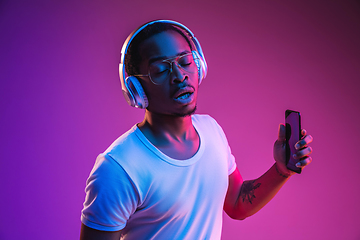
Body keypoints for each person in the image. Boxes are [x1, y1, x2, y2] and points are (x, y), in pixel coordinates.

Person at [80, 20, 313, 240]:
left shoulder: (212, 130)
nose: (179, 76)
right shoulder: (118, 169)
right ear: (135, 88)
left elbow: (237, 204)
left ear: (199, 66)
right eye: (161, 70)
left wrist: (282, 170)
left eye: (185, 62)